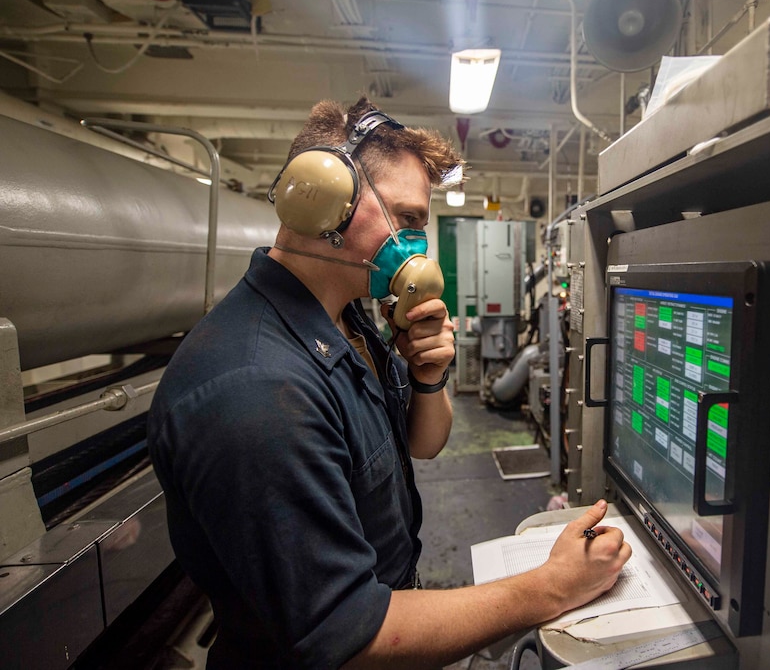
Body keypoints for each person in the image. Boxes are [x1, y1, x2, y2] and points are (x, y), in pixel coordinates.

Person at [147, 96, 632, 669]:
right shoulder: (255, 390)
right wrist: (551, 587)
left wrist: (428, 378)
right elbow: (347, 636)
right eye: (406, 220)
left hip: (396, 600)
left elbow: (422, 444)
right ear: (325, 198)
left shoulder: (349, 317)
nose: (416, 247)